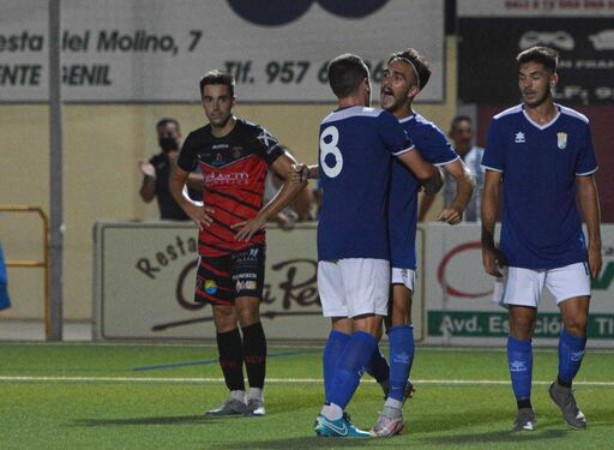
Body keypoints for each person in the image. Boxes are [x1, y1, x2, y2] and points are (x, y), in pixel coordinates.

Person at [310, 53, 442, 438]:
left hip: (328, 240)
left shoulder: (327, 124)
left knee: (341, 329)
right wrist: (431, 183)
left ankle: (333, 412)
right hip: (365, 239)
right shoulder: (379, 121)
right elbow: (422, 171)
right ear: (365, 85)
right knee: (368, 329)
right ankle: (332, 412)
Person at [169, 70, 308, 418]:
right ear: (203, 101)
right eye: (208, 99)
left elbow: (296, 174)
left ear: (233, 100)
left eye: (221, 98)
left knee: (248, 311)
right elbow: (175, 180)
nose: (215, 106)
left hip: (248, 241)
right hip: (213, 243)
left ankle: (256, 396)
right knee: (222, 316)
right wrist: (190, 206)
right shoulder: (196, 140)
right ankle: (234, 395)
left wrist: (263, 216)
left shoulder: (254, 136)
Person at [480, 46, 602, 432]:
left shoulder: (577, 125)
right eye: (522, 77)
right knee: (522, 324)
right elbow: (491, 189)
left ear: (553, 79)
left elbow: (587, 187)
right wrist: (487, 242)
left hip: (567, 245)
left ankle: (562, 388)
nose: (527, 85)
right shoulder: (502, 125)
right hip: (519, 248)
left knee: (578, 322)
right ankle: (524, 408)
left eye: (534, 77)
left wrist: (595, 242)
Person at [368, 48, 475, 438]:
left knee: (397, 314)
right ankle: (388, 381)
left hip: (397, 239)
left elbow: (463, 177)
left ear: (412, 90)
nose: (387, 81)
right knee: (359, 334)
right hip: (359, 241)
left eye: (397, 76)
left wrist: (459, 205)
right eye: (386, 73)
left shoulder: (425, 132)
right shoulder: (365, 122)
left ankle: (393, 409)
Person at [419, 115, 484, 222]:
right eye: (460, 132)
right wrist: (420, 219)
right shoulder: (445, 158)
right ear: (451, 134)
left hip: (477, 222)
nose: (465, 136)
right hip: (451, 221)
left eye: (468, 131)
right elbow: (433, 188)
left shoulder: (482, 156)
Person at [138, 118, 203, 220]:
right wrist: (150, 178)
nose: (165, 137)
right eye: (161, 134)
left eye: (169, 134)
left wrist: (178, 171)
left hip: (195, 222)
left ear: (178, 135)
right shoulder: (156, 162)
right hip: (169, 223)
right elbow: (146, 197)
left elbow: (203, 184)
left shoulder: (193, 157)